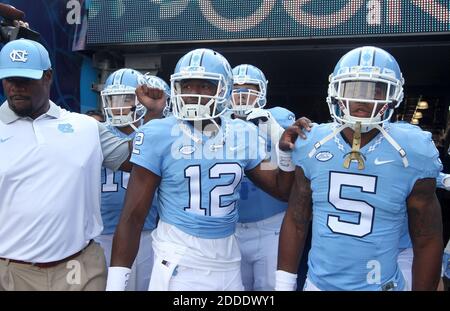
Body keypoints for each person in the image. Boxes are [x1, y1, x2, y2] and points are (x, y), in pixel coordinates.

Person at [105, 48, 307, 291]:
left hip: (228, 261)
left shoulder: (244, 133)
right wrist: (115, 284)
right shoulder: (157, 132)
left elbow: (280, 188)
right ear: (176, 89)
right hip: (179, 258)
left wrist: (284, 153)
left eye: (205, 86)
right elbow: (132, 217)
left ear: (223, 90)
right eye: (187, 86)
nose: (194, 94)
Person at [277, 46, 443, 291]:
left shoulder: (412, 150)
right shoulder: (311, 141)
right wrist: (283, 285)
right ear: (336, 90)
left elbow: (427, 238)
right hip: (317, 284)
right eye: (353, 88)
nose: (362, 100)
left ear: (393, 94)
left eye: (376, 89)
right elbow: (296, 219)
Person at [0, 39, 134, 290]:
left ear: (47, 77)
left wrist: (153, 117)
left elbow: (137, 161)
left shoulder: (85, 127)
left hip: (79, 267)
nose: (15, 88)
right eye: (9, 79)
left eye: (25, 80)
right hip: (10, 272)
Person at [95, 69, 169, 290]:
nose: (118, 105)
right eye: (113, 98)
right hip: (102, 233)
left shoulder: (157, 132)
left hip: (146, 231)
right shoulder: (95, 132)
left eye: (126, 98)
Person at [229, 64, 295, 290]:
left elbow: (301, 160)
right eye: (235, 88)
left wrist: (276, 132)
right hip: (230, 228)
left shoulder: (276, 118)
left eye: (249, 88)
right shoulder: (216, 124)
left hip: (271, 226)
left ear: (262, 91)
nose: (241, 95)